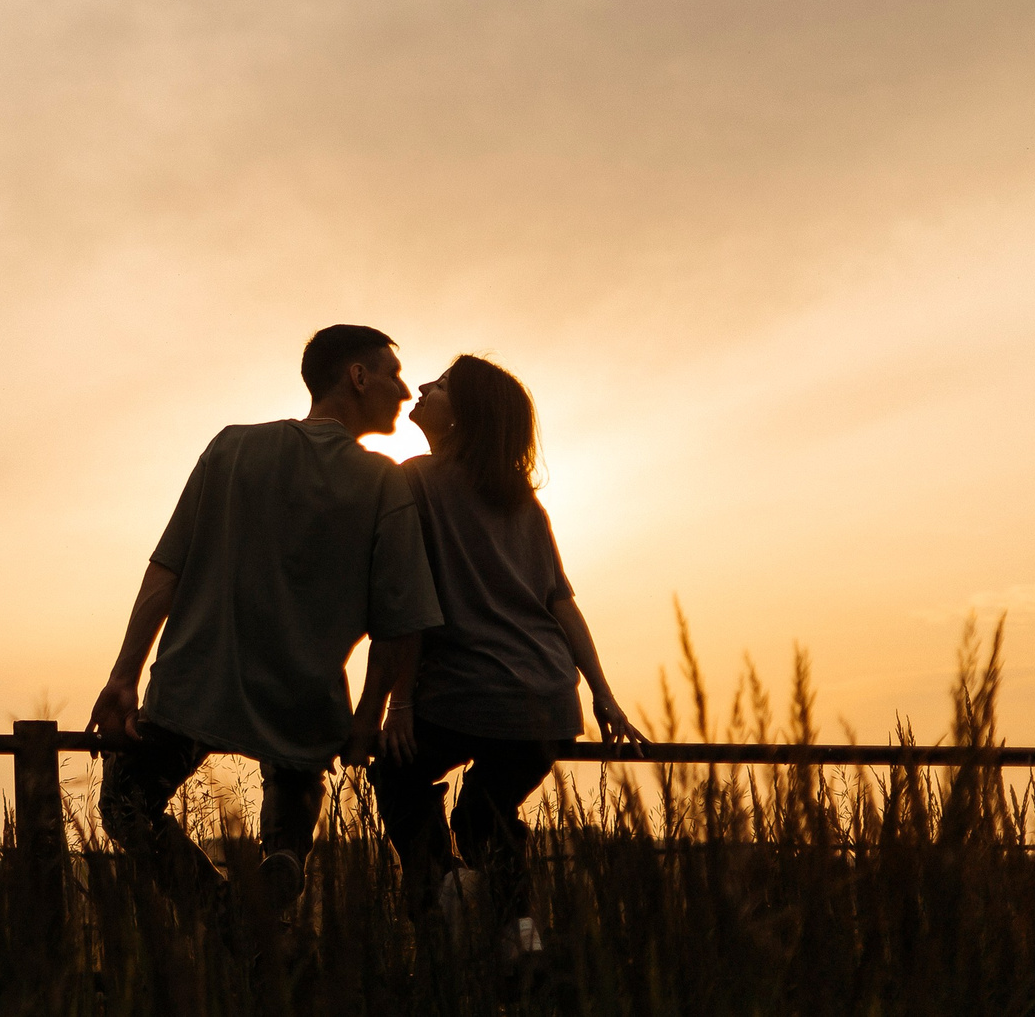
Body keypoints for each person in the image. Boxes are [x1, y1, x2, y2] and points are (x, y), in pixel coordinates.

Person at [88, 325, 443, 920]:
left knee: (127, 808)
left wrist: (124, 676)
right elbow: (401, 622)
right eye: (393, 374)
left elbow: (166, 570)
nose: (406, 392)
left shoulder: (230, 448)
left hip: (196, 690)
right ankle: (274, 878)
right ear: (357, 377)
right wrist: (370, 714)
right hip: (302, 710)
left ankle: (223, 918)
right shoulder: (386, 482)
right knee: (290, 822)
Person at [371, 354, 645, 956]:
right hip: (547, 699)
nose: (423, 386)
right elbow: (561, 606)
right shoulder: (523, 501)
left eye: (442, 384)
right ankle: (521, 939)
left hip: (466, 691)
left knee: (396, 771)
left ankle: (437, 903)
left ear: (466, 414)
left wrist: (400, 704)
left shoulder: (414, 482)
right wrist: (602, 696)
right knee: (483, 818)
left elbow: (405, 602)